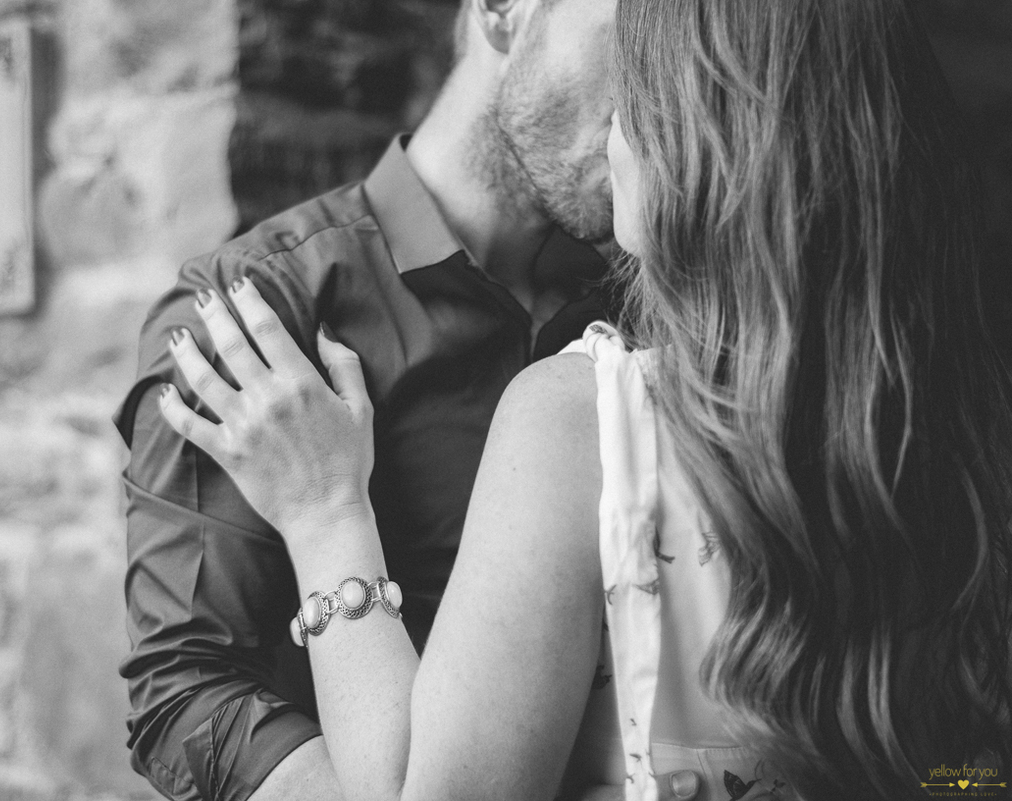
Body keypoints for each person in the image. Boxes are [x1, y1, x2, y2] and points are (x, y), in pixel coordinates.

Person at [158, 0, 1012, 799]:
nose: (619, 122)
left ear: (712, 141)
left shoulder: (589, 410)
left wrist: (323, 512)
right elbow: (186, 680)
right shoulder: (962, 419)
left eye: (649, 83)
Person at [114, 0, 704, 798]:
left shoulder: (650, 302)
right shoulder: (256, 306)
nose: (663, 92)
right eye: (634, 39)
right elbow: (187, 692)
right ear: (503, 12)